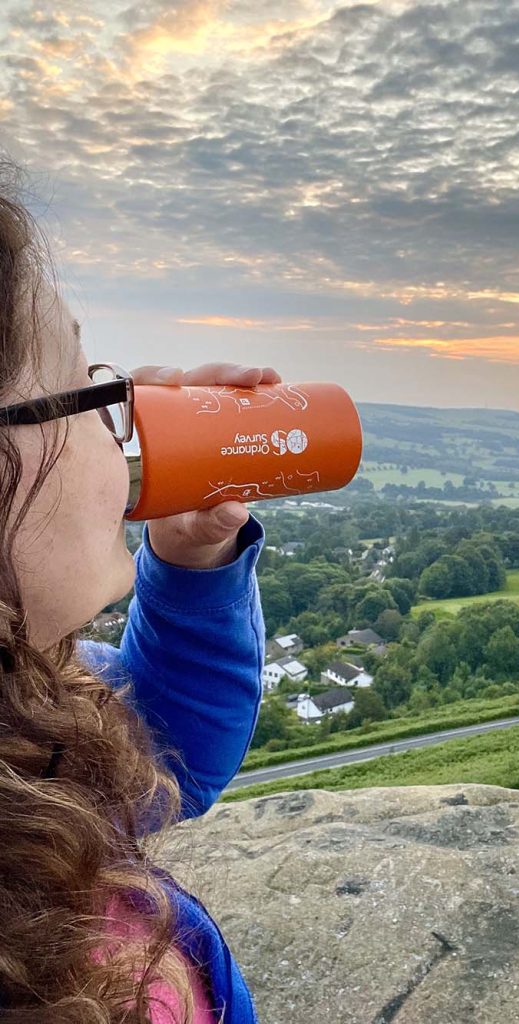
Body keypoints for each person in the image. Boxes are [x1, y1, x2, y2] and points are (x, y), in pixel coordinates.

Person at [0, 161, 278, 1022]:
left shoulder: (25, 697)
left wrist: (193, 563)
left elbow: (167, 749)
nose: (123, 428)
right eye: (87, 391)